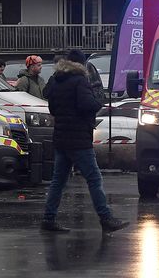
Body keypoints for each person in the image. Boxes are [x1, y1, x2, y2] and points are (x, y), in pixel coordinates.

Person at [41, 50, 128, 233]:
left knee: (58, 181)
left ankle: (48, 219)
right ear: (81, 64)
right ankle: (105, 218)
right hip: (79, 138)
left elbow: (52, 108)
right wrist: (98, 103)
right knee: (94, 179)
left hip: (61, 137)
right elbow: (87, 104)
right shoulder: (80, 81)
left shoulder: (57, 80)